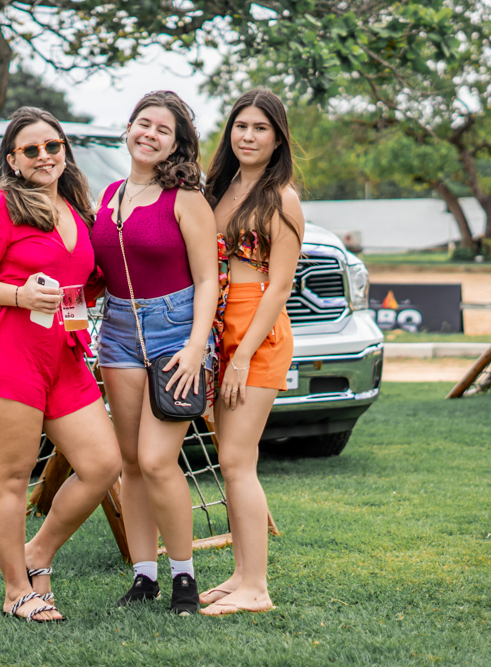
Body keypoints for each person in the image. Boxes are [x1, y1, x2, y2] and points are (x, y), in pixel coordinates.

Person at [0, 107, 122, 623]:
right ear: (13, 160)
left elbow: (79, 284)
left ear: (65, 150)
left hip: (62, 357)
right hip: (7, 358)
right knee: (13, 480)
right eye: (31, 150)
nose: (45, 156)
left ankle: (38, 552)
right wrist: (19, 295)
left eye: (53, 146)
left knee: (102, 464)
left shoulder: (74, 208)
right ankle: (17, 591)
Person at [91, 91, 219, 615]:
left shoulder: (185, 199)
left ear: (176, 144)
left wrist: (196, 347)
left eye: (163, 130)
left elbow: (208, 279)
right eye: (143, 123)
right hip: (118, 332)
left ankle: (184, 577)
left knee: (157, 459)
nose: (150, 134)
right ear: (128, 128)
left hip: (176, 331)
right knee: (130, 463)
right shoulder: (110, 194)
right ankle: (144, 577)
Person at [198, 89, 304, 616]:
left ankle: (256, 588)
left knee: (238, 461)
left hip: (257, 332)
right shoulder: (219, 188)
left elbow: (280, 286)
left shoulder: (281, 197)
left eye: (261, 128)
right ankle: (240, 574)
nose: (248, 135)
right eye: (241, 125)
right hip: (219, 326)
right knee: (234, 459)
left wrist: (241, 357)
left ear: (278, 138)